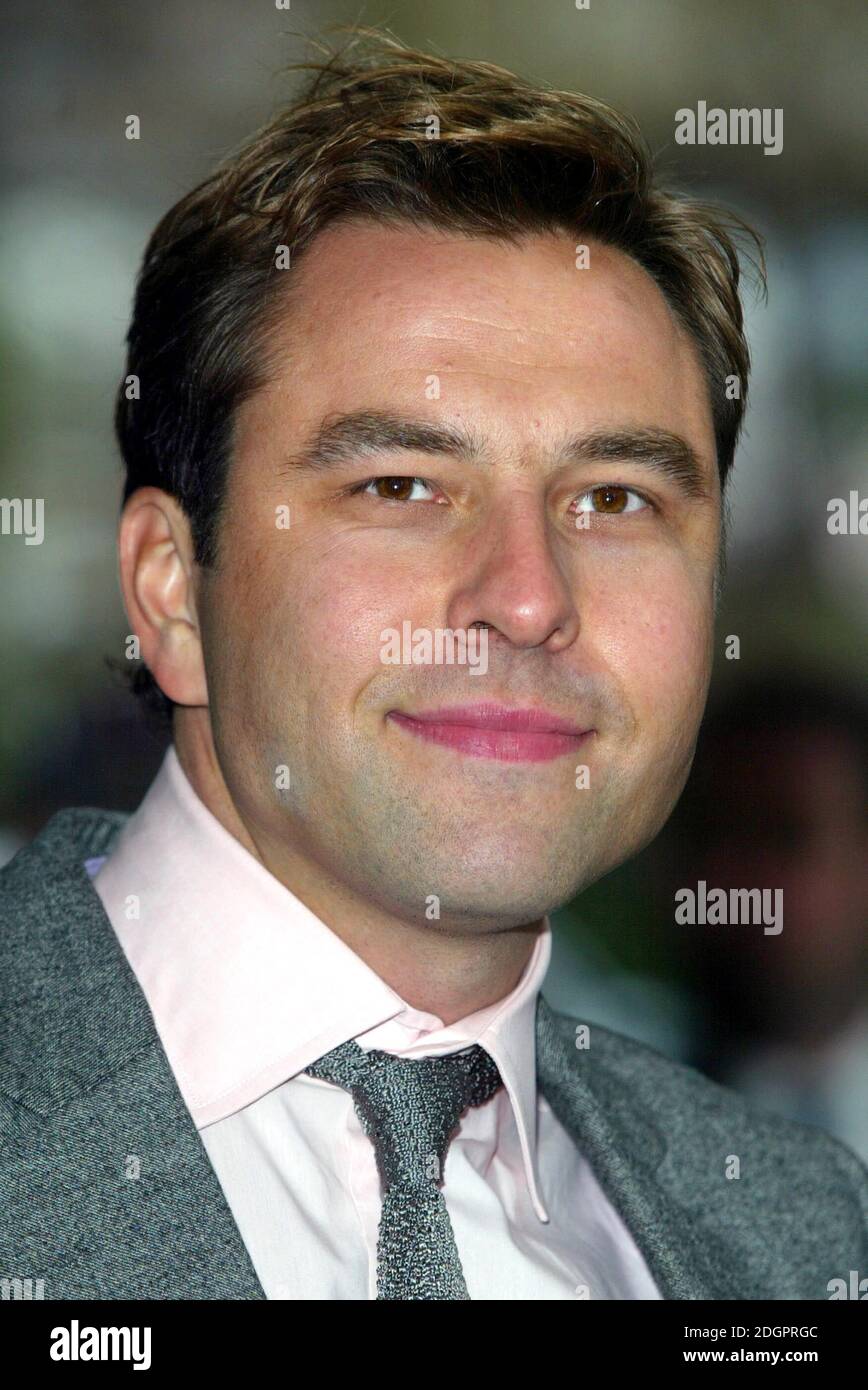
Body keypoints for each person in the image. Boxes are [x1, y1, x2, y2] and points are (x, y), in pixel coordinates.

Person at [1, 26, 865, 1301]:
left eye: (616, 499)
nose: (526, 599)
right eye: (400, 484)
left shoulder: (805, 1241)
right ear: (173, 591)